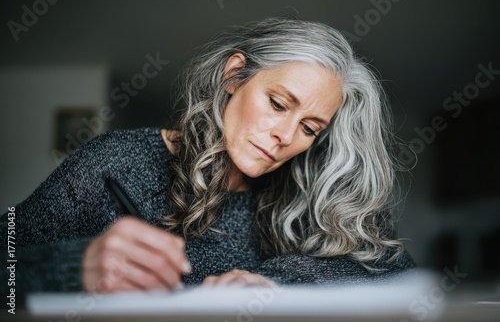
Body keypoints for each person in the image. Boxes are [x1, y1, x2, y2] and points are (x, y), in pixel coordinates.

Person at [1, 16, 415, 298]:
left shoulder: (314, 189)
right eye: (277, 103)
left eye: (310, 128)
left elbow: (403, 276)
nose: (285, 136)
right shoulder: (114, 163)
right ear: (234, 75)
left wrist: (277, 281)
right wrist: (76, 267)